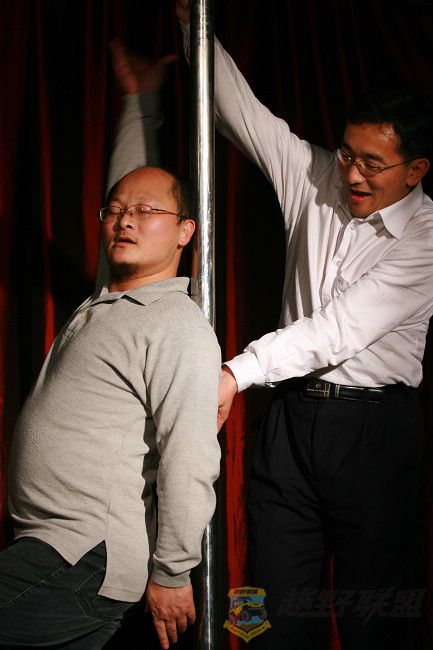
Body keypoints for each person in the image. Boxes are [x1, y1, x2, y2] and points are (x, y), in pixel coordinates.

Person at [176, 3, 433, 649]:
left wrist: (235, 373)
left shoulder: (427, 240)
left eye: (372, 163)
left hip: (374, 434)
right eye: (347, 154)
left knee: (376, 618)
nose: (352, 174)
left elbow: (336, 331)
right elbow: (239, 111)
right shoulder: (315, 174)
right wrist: (190, 22)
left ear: (415, 169)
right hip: (290, 423)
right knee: (268, 609)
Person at [0, 165, 221, 650]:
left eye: (145, 210)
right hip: (52, 546)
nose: (125, 220)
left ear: (184, 231)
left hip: (81, 554)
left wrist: (172, 573)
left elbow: (190, 457)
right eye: (115, 210)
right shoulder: (109, 303)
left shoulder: (176, 324)